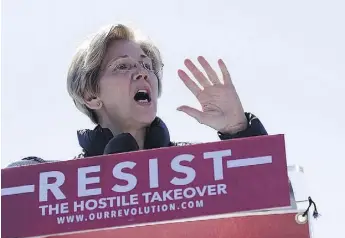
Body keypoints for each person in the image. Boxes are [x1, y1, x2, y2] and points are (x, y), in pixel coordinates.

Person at [7, 23, 268, 167]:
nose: (142, 73)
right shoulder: (45, 181)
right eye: (123, 66)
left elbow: (270, 205)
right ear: (90, 94)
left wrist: (240, 131)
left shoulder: (200, 168)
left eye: (147, 65)